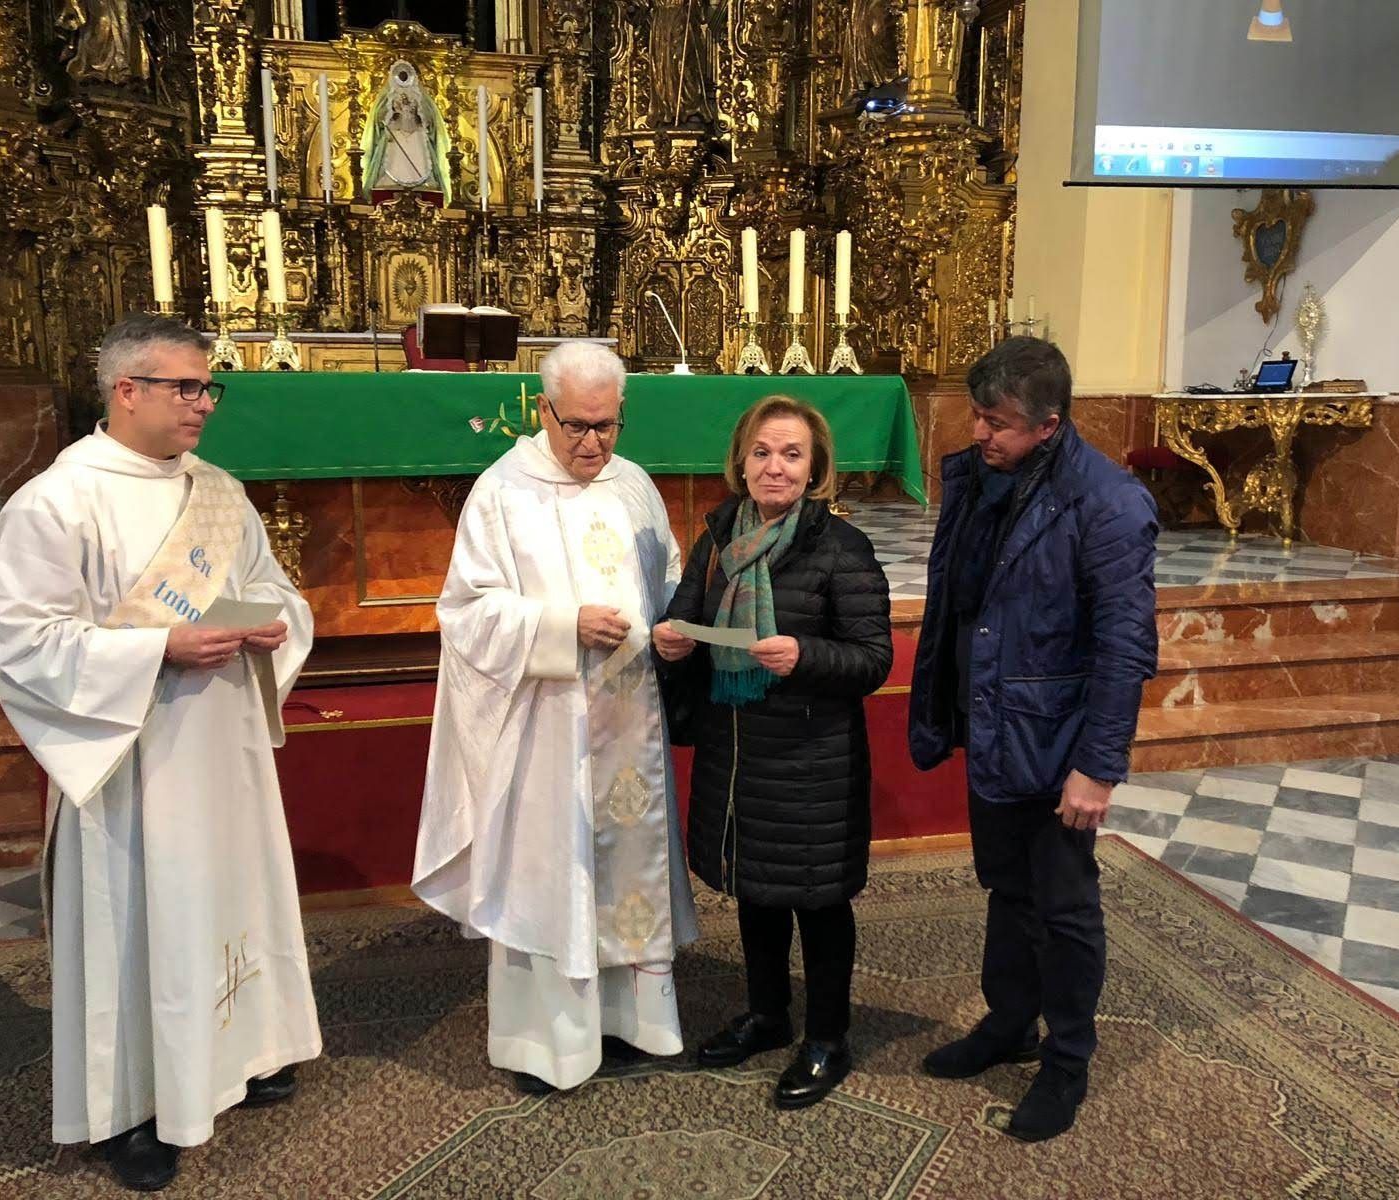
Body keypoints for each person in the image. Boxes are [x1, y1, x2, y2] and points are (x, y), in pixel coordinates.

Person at [0, 314, 321, 1192]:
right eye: (185, 386)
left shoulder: (220, 491)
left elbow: (274, 591)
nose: (203, 403)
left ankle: (240, 1054)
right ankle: (132, 1105)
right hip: (132, 756)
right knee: (143, 915)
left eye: (209, 386)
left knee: (226, 895)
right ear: (125, 390)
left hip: (222, 740)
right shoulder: (58, 503)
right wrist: (153, 649)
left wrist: (269, 627)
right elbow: (24, 646)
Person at [413, 340, 698, 1094]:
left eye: (607, 426)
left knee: (630, 858)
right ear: (542, 411)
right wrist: (559, 625)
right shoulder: (503, 492)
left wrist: (676, 625)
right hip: (549, 731)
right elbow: (466, 612)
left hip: (629, 719)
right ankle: (552, 1044)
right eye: (575, 425)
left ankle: (635, 1022)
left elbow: (665, 578)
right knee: (555, 876)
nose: (592, 444)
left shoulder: (635, 486)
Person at [908, 336, 1158, 1142]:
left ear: (1050, 425)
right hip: (995, 724)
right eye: (978, 416)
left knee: (1064, 908)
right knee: (1006, 888)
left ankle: (1067, 1063)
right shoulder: (982, 476)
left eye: (1000, 423)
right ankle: (1008, 1024)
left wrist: (1097, 766)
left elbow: (1126, 646)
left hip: (1058, 743)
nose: (982, 434)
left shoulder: (1109, 503)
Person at [655, 396, 892, 1109]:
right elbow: (691, 619)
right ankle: (766, 1015)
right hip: (738, 748)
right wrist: (674, 641)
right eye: (762, 452)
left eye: (791, 454)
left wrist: (807, 654)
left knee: (817, 901)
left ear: (815, 465)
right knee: (755, 890)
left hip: (811, 757)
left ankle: (827, 1038)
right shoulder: (720, 534)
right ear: (742, 460)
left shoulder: (840, 549)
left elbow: (873, 659)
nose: (775, 466)